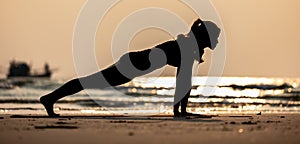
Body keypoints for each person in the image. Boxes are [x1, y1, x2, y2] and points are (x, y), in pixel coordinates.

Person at [40, 18, 221, 117]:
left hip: (133, 64)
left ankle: (50, 98)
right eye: (216, 37)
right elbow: (182, 82)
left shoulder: (188, 47)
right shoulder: (188, 49)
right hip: (132, 65)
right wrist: (179, 112)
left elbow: (184, 81)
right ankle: (49, 98)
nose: (218, 42)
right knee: (88, 82)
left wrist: (180, 111)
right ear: (206, 37)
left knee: (89, 82)